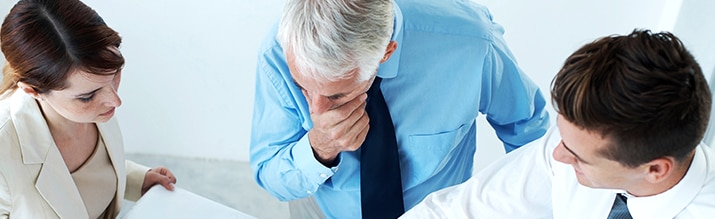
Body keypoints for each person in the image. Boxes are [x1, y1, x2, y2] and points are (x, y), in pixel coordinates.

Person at [250, 0, 550, 218]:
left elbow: (527, 129)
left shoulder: (471, 44)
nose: (316, 109)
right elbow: (270, 175)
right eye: (302, 86)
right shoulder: (279, 50)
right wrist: (319, 148)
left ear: (386, 53)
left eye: (336, 95)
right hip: (323, 211)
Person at [401, 29, 715, 218]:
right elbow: (453, 213)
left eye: (578, 156)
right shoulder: (570, 147)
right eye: (562, 139)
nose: (558, 156)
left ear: (655, 170)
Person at [0, 0, 177, 218]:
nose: (115, 100)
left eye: (115, 76)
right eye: (87, 96)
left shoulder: (94, 105)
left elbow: (85, 178)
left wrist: (138, 179)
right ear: (33, 91)